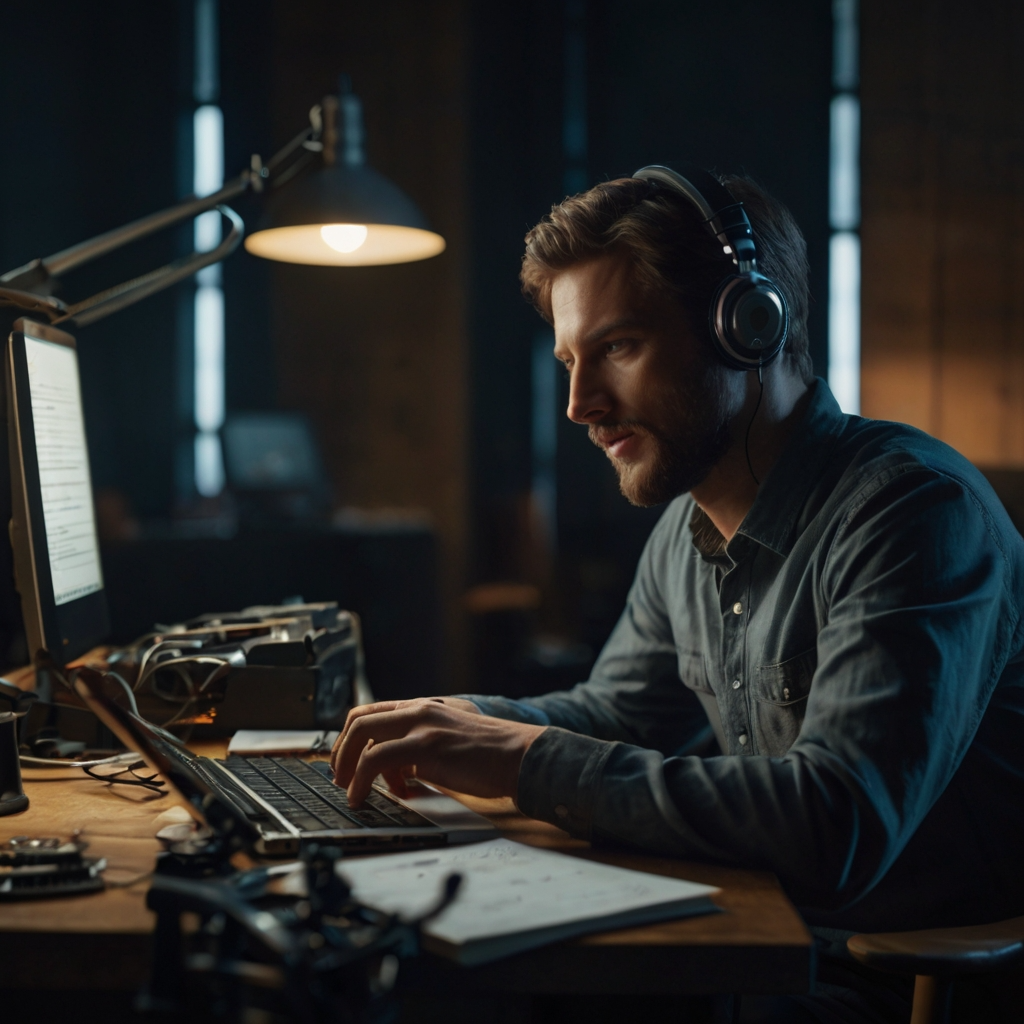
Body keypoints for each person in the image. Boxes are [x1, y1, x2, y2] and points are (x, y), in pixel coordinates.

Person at [330, 167, 1024, 1022]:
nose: (582, 404)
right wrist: (449, 724)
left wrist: (520, 758)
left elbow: (834, 824)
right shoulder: (685, 529)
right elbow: (620, 715)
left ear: (748, 327)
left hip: (890, 983)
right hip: (762, 942)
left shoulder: (913, 513)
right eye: (570, 361)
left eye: (618, 346)